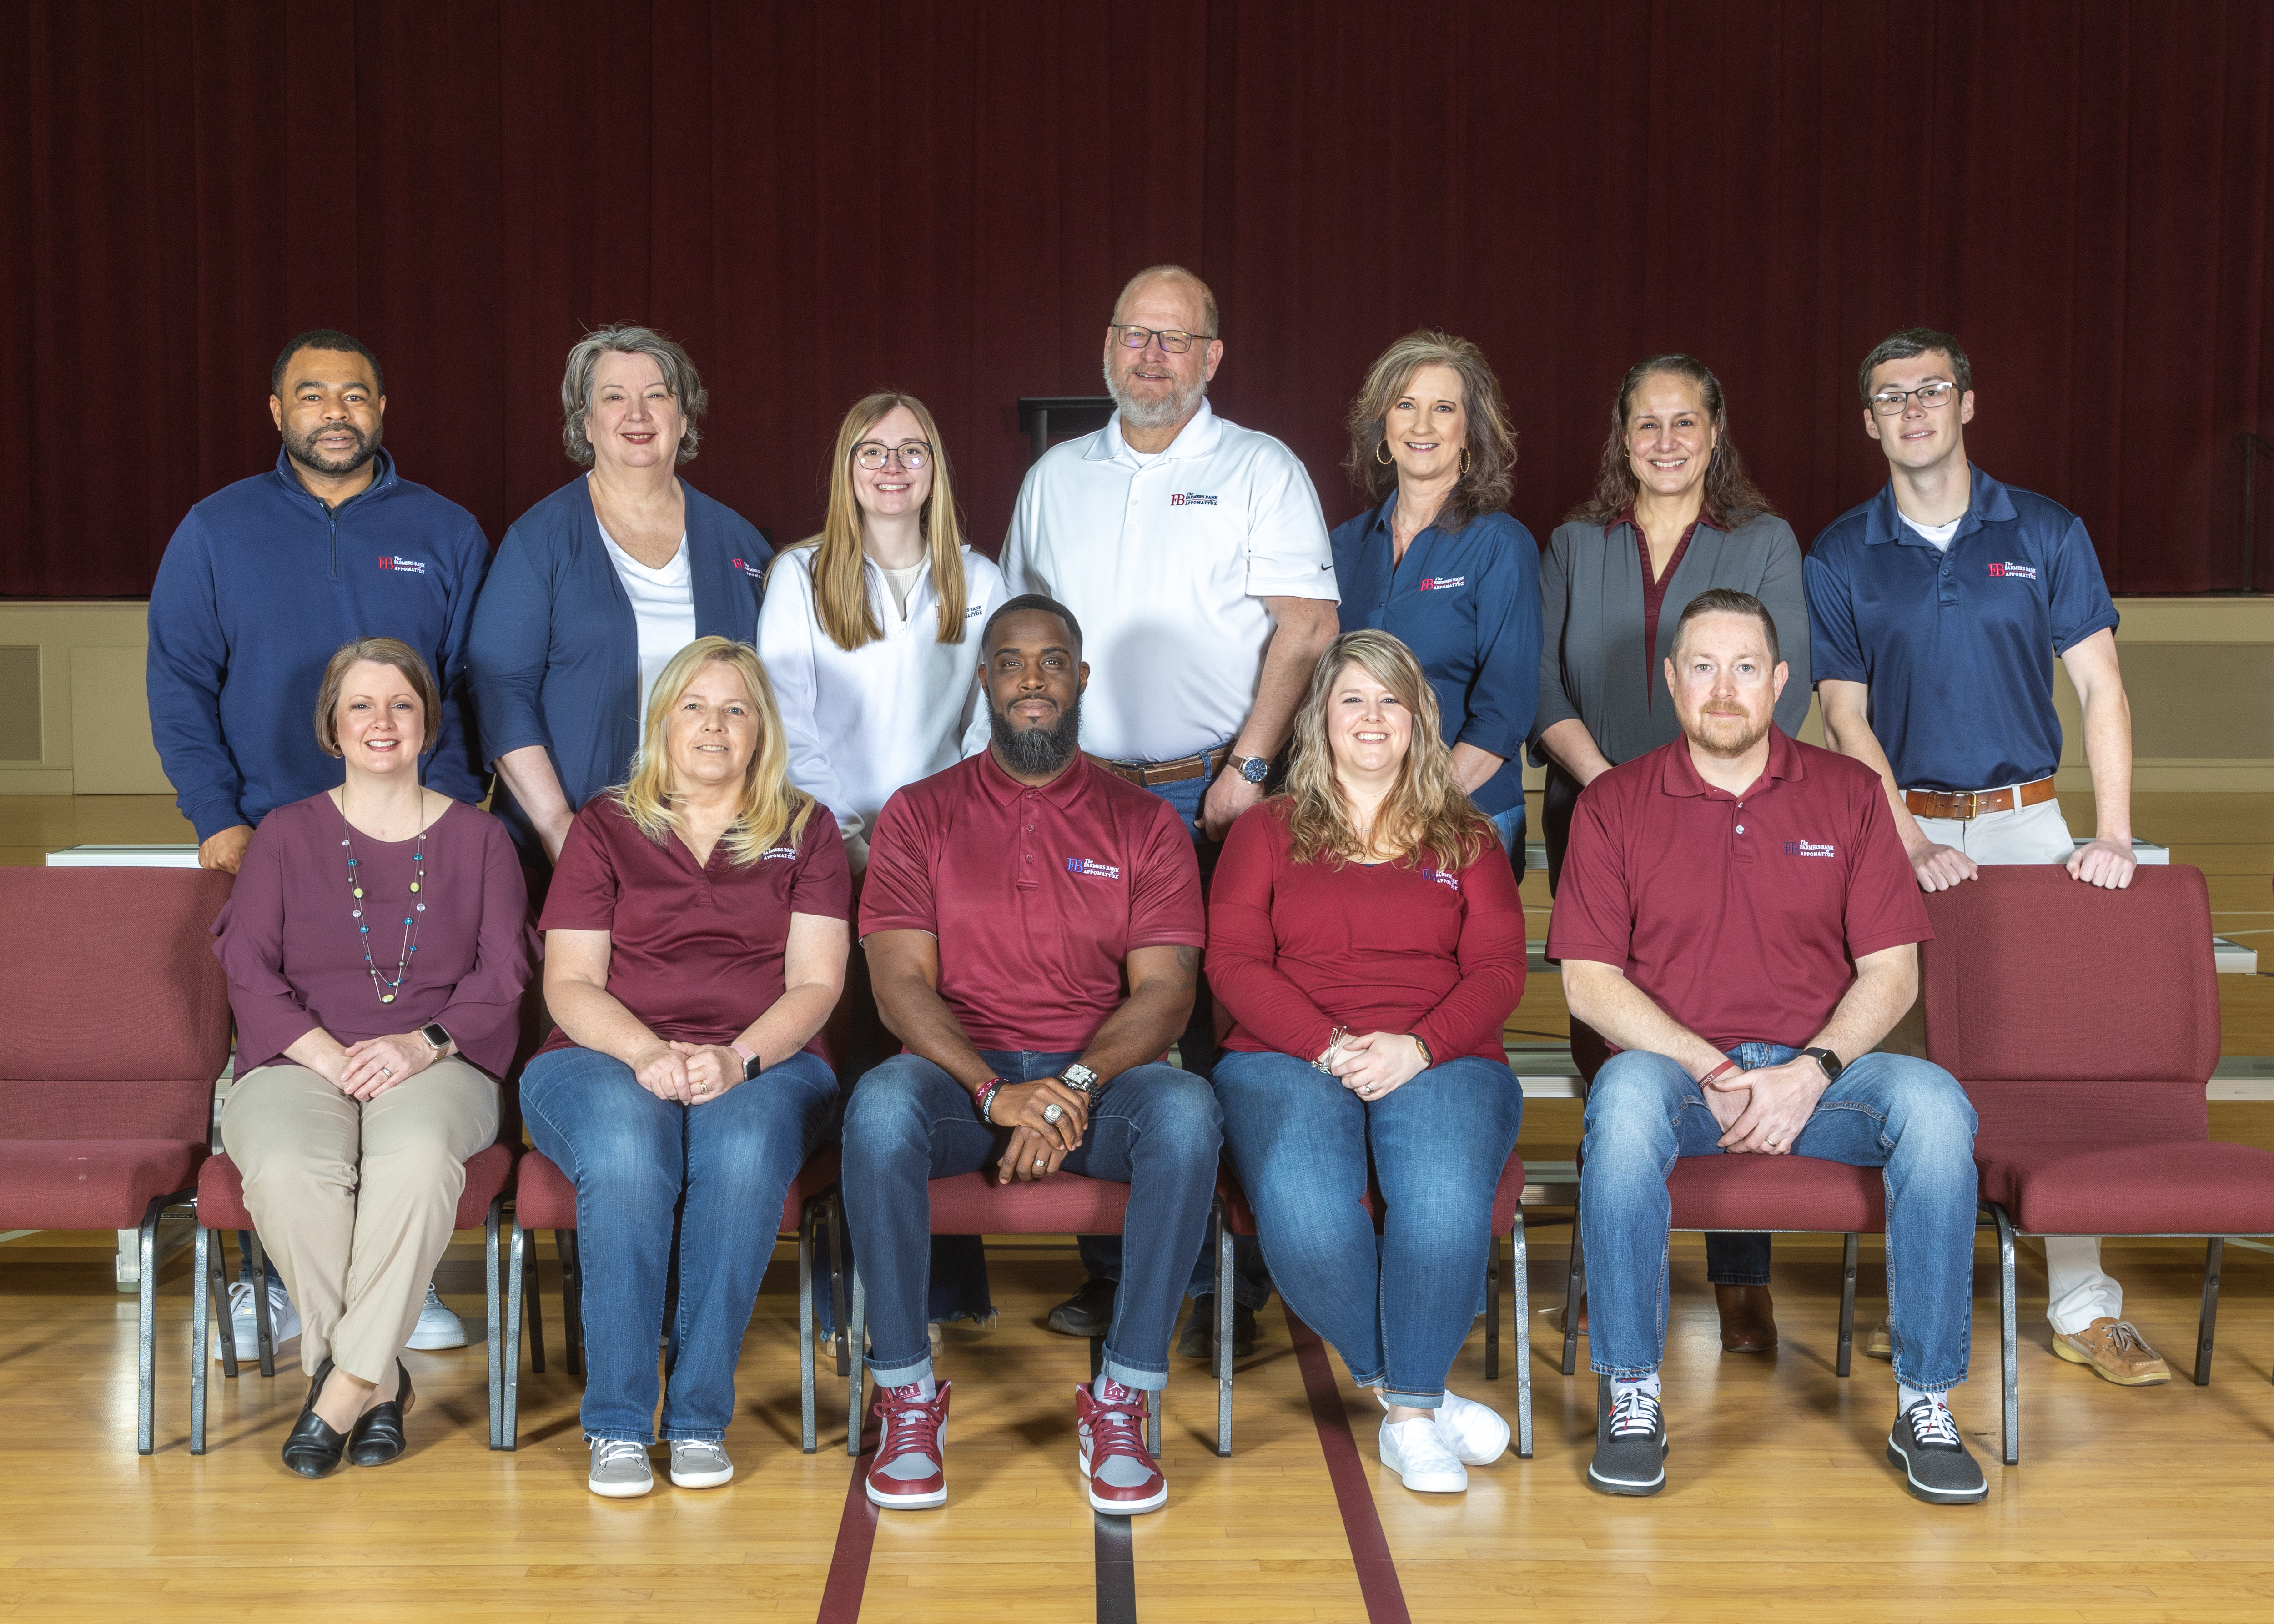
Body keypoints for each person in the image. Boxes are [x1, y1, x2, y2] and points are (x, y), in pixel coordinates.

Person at [1554, 590, 1985, 1506]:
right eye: (1701, 667)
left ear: (1780, 682)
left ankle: (1925, 1402)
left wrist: (1809, 1072)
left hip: (1819, 1079)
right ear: (1670, 682)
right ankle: (1631, 1391)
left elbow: (1892, 973)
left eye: (1744, 667)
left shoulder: (1851, 795)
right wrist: (1711, 1068)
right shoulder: (1614, 806)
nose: (1723, 688)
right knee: (1623, 1101)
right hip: (1680, 1081)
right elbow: (1589, 984)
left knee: (1937, 1106)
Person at [1806, 326, 2161, 1384]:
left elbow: (2100, 686)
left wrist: (2110, 832)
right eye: (1889, 396)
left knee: (2051, 1059)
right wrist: (1907, 839)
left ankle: (2085, 1306)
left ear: (1967, 402)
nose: (1912, 409)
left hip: (2025, 822)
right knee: (1907, 1068)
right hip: (1893, 828)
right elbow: (1841, 714)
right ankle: (1922, 1302)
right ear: (1868, 422)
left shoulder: (2045, 531)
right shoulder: (1839, 552)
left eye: (1930, 390)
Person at [996, 263, 1338, 1356]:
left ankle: (1223, 1283)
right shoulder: (1057, 477)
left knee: (1204, 1034)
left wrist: (1252, 760)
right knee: (1087, 1023)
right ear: (1108, 346)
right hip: (1075, 790)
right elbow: (1019, 632)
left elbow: (1309, 623)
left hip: (1209, 789)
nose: (1150, 356)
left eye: (1173, 340)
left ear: (1211, 360)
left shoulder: (1258, 468)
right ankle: (1119, 1269)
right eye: (1133, 336)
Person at [149, 327, 489, 1358]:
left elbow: (475, 688)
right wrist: (218, 816)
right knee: (285, 1063)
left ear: (383, 410)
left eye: (355, 394)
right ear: (277, 412)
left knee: (401, 1069)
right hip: (268, 851)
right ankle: (292, 1283)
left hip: (413, 847)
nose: (333, 410)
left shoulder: (445, 530)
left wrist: (458, 822)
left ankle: (399, 1279)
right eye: (312, 394)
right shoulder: (217, 530)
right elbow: (177, 682)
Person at [845, 595, 1220, 1516]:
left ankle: (1122, 1397)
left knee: (1189, 1114)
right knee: (878, 1108)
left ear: (1081, 678)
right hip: (953, 1078)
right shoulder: (917, 814)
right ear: (984, 680)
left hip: (1099, 1078)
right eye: (1010, 663)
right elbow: (899, 987)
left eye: (1052, 662)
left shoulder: (1142, 823)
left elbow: (1166, 992)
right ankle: (903, 1396)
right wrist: (989, 1091)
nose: (1031, 680)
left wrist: (1069, 1089)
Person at [519, 637, 848, 1498]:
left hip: (766, 1057)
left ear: (762, 729)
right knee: (629, 1152)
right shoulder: (605, 827)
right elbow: (571, 982)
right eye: (695, 707)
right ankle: (619, 1425)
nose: (715, 725)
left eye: (736, 709)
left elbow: (817, 981)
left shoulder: (806, 830)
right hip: (601, 1054)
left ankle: (699, 1416)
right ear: (663, 722)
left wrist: (738, 1059)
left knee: (742, 1154)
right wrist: (648, 1054)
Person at [1532, 353, 1809, 1353]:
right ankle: (1617, 1266)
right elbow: (1541, 688)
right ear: (1621, 435)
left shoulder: (1764, 540)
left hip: (1734, 819)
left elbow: (1794, 684)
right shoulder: (1572, 543)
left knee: (1737, 1027)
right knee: (1607, 1044)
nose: (1664, 441)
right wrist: (1614, 787)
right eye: (1644, 424)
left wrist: (1685, 791)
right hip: (1594, 811)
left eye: (1682, 422)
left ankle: (1740, 1273)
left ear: (1714, 432)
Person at [1209, 630, 1527, 1494]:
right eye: (1353, 698)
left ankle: (1409, 1413)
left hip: (1444, 1054)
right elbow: (1233, 965)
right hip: (1288, 1052)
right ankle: (1413, 1403)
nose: (1373, 717)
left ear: (1420, 719)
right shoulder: (1266, 831)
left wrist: (1418, 1046)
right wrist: (1328, 1043)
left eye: (1392, 699)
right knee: (1308, 1210)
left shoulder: (1466, 836)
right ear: (1322, 717)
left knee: (1441, 1191)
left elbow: (1500, 969)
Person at [210, 639, 534, 1478]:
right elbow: (246, 964)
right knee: (282, 1165)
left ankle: (343, 1387)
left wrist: (417, 1046)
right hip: (296, 1060)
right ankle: (379, 1381)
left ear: (428, 722)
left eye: (400, 704)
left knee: (420, 1158)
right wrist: (327, 1055)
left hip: (441, 1061)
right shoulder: (284, 835)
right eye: (361, 705)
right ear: (332, 726)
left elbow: (504, 973)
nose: (381, 722)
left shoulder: (484, 840)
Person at [757, 391, 1006, 1332]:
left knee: (933, 1051)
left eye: (912, 450)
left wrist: (927, 834)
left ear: (936, 469)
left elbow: (988, 716)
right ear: (846, 468)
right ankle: (848, 1294)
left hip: (947, 853)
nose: (892, 466)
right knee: (854, 1058)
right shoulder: (800, 572)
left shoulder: (980, 577)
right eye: (872, 450)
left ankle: (943, 1291)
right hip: (827, 843)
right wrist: (849, 833)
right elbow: (785, 713)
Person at [469, 324, 770, 871]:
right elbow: (500, 690)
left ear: (684, 418)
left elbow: (770, 698)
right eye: (614, 397)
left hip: (716, 842)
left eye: (657, 396)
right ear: (585, 421)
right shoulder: (539, 540)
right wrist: (559, 827)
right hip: (573, 837)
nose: (638, 414)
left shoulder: (741, 543)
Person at [1329, 332, 1538, 861]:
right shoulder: (1339, 546)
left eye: (1442, 408)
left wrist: (1411, 810)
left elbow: (1503, 714)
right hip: (1351, 816)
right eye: (1405, 405)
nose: (1421, 426)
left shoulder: (1500, 546)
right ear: (1384, 424)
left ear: (1469, 432)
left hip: (1464, 809)